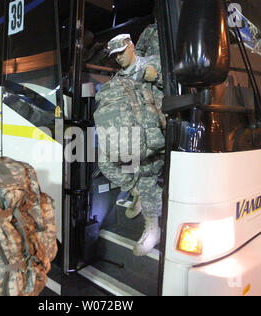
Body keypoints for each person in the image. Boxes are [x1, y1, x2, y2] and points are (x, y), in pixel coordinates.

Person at [95, 34, 165, 256]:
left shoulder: (153, 63)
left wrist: (158, 78)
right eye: (114, 56)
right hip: (130, 135)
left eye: (121, 53)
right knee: (105, 162)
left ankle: (152, 228)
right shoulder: (118, 77)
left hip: (153, 133)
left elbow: (179, 86)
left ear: (131, 46)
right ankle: (135, 191)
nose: (118, 59)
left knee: (146, 175)